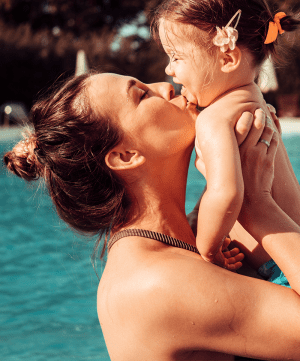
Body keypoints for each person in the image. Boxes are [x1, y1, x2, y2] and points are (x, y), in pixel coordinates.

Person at [4, 71, 300, 360]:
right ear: (125, 156)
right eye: (142, 94)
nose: (167, 86)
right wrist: (259, 206)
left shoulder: (193, 238)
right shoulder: (155, 282)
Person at [152, 0, 300, 265]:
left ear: (228, 58)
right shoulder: (255, 100)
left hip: (275, 264)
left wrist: (209, 250)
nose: (169, 70)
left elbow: (227, 193)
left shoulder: (214, 120)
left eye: (176, 57)